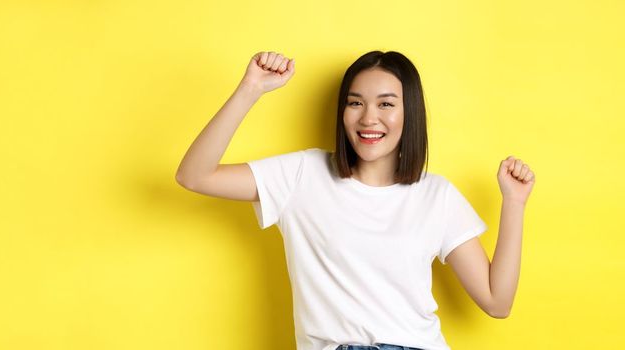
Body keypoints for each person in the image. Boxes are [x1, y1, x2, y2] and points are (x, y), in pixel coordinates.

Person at [176, 50, 535, 350]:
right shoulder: (303, 174)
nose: (369, 118)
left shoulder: (436, 194)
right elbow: (194, 175)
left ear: (409, 113)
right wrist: (250, 88)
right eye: (355, 103)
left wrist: (514, 204)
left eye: (386, 104)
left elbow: (496, 301)